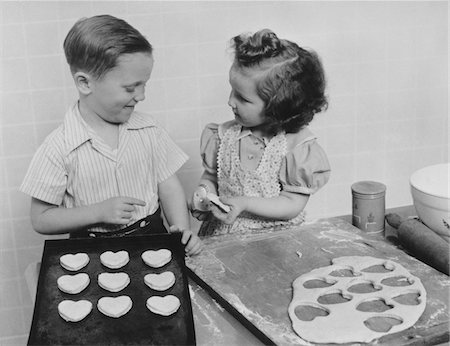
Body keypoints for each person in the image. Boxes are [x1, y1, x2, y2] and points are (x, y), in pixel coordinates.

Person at [20, 15, 202, 255]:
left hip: (152, 238)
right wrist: (98, 212)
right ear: (85, 83)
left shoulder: (149, 130)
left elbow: (169, 186)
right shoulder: (58, 147)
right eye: (130, 88)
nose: (141, 96)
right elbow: (41, 219)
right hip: (92, 251)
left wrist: (181, 229)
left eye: (144, 84)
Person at [191, 29, 331, 236]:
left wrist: (246, 203)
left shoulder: (295, 148)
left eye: (243, 98)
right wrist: (205, 195)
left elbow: (292, 203)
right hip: (223, 235)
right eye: (232, 91)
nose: (230, 101)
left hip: (274, 239)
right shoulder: (222, 136)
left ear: (278, 108)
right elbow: (211, 177)